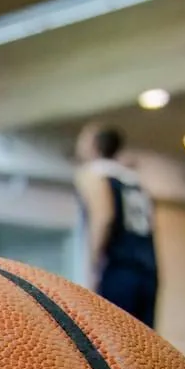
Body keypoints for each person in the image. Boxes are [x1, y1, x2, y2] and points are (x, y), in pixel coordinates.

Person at [74, 123, 160, 327]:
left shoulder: (94, 173)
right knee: (144, 343)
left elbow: (104, 217)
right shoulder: (134, 179)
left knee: (113, 341)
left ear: (93, 145)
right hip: (148, 267)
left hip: (118, 268)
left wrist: (93, 265)